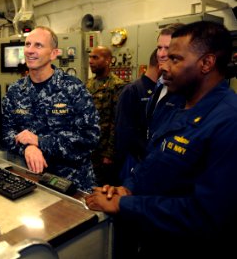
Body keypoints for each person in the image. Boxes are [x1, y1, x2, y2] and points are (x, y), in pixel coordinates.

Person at [86, 21, 237, 258]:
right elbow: (153, 162)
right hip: (153, 237)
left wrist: (124, 205)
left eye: (175, 59)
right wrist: (126, 189)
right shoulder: (174, 104)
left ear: (206, 63)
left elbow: (207, 216)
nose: (164, 66)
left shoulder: (228, 122)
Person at [2, 26, 100, 193]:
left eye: (38, 45)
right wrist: (27, 147)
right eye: (27, 44)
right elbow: (4, 131)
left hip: (72, 185)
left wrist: (39, 142)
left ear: (54, 54)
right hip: (30, 180)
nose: (30, 51)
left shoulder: (73, 88)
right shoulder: (15, 91)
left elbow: (89, 138)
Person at [115, 48, 160, 180]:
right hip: (135, 158)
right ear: (159, 63)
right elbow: (124, 130)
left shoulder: (162, 90)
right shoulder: (133, 90)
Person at [86, 46, 125, 186]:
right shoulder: (90, 83)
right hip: (89, 147)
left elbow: (117, 122)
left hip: (104, 151)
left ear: (108, 60)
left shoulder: (117, 86)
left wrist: (110, 153)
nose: (90, 61)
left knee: (103, 187)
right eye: (90, 57)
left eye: (95, 57)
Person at [146, 23, 185, 138]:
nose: (161, 54)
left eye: (167, 48)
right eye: (159, 48)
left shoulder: (187, 88)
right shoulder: (160, 83)